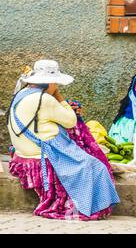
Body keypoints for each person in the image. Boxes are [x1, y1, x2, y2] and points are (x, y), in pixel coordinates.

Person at [7, 60, 120, 220]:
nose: (57, 87)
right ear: (50, 82)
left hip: (23, 150)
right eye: (56, 83)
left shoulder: (21, 93)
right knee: (95, 166)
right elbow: (70, 120)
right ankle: (95, 206)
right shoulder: (45, 99)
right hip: (42, 153)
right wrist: (59, 96)